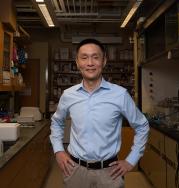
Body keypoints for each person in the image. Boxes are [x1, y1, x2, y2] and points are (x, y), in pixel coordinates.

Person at [50, 38, 150, 188]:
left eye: (95, 57)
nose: (90, 63)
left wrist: (131, 160)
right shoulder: (68, 95)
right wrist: (58, 150)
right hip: (75, 171)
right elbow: (57, 122)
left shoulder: (120, 95)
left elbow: (142, 126)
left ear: (104, 61)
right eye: (84, 57)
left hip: (110, 172)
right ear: (77, 63)